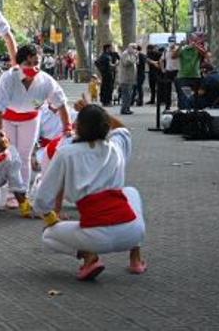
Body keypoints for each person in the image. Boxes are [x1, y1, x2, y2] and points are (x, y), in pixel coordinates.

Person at [35, 100, 147, 281]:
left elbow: (42, 200)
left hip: (94, 236)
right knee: (131, 192)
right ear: (106, 126)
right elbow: (123, 130)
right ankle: (136, 259)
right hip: (132, 233)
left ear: (77, 127)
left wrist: (51, 219)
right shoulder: (116, 147)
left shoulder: (66, 153)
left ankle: (89, 258)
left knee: (48, 236)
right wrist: (96, 110)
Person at [0, 43, 71, 192]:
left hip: (31, 119)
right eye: (28, 63)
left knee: (24, 156)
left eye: (36, 63)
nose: (33, 67)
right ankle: (11, 193)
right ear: (19, 64)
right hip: (7, 118)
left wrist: (67, 127)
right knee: (10, 155)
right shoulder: (8, 78)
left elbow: (61, 103)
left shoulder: (46, 81)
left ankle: (23, 193)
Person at [175, 37, 206, 110]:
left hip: (195, 77)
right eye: (191, 40)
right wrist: (180, 46)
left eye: (195, 40)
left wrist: (196, 46)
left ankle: (194, 112)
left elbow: (204, 54)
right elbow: (174, 56)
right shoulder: (183, 49)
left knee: (194, 96)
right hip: (184, 77)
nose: (193, 42)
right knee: (184, 96)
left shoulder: (197, 50)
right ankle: (184, 112)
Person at [117, 44, 137, 115]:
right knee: (126, 94)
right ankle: (124, 109)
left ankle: (127, 108)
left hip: (130, 78)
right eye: (133, 48)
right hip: (125, 78)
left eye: (136, 48)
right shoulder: (125, 54)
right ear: (129, 47)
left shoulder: (131, 54)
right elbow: (126, 63)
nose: (135, 49)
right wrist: (134, 57)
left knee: (129, 94)